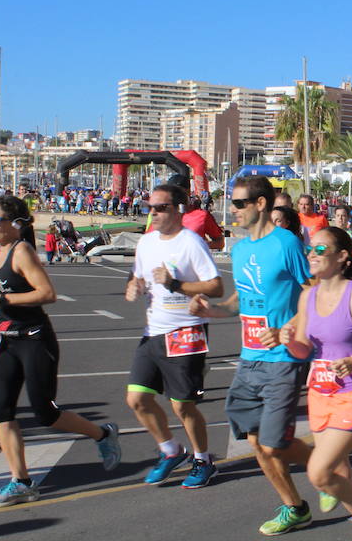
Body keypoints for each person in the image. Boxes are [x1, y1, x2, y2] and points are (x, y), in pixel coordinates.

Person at [189, 176, 328, 535]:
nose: (232, 211)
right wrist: (212, 310)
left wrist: (290, 328)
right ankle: (295, 507)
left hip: (283, 357)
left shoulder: (286, 243)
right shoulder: (239, 249)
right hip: (249, 357)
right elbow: (241, 300)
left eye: (238, 204)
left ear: (261, 204)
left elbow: (312, 293)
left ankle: (328, 469)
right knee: (255, 441)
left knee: (271, 442)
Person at [0, 196, 121, 507]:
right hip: (7, 339)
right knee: (2, 412)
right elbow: (4, 293)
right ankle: (22, 482)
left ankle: (102, 433)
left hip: (34, 339)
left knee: (45, 413)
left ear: (14, 224)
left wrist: (4, 302)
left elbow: (47, 293)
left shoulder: (22, 252)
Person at [273, 227, 352, 541]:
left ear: (342, 257)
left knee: (319, 472)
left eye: (319, 249)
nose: (311, 255)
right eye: (310, 248)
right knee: (338, 471)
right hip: (320, 390)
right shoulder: (308, 296)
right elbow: (304, 348)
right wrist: (288, 340)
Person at [124, 184, 223, 488]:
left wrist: (176, 284)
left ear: (178, 210)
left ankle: (203, 459)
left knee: (182, 405)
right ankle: (170, 450)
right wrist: (134, 285)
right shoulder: (147, 242)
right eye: (149, 207)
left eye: (160, 207)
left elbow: (216, 287)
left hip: (186, 331)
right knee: (137, 399)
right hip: (152, 330)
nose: (152, 212)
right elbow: (138, 274)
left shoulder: (191, 243)